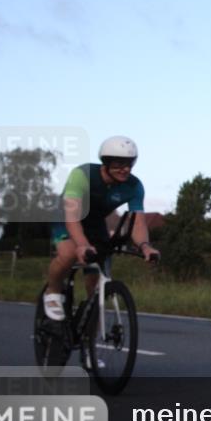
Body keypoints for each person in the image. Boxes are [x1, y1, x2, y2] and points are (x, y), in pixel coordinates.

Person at [42, 136, 160, 325]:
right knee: (68, 254)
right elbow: (72, 216)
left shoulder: (134, 186)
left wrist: (145, 246)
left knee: (96, 280)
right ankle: (53, 291)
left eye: (130, 164)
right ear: (105, 163)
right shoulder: (83, 174)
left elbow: (137, 222)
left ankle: (90, 341)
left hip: (95, 222)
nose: (126, 169)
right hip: (67, 217)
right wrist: (81, 244)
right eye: (119, 164)